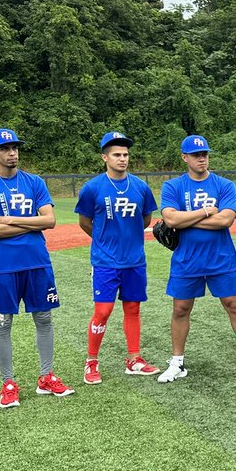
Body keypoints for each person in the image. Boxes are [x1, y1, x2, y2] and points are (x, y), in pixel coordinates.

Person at [0, 128, 74, 407]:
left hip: (37, 261)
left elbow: (50, 221)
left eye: (15, 147)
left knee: (44, 318)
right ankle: (8, 382)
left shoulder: (34, 182)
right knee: (3, 322)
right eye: (5, 148)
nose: (12, 152)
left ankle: (46, 377)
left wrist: (9, 221)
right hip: (2, 265)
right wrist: (29, 222)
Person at [156, 134, 236, 383]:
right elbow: (170, 220)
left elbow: (226, 220)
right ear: (185, 158)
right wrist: (205, 212)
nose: (201, 158)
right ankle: (177, 363)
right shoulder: (173, 186)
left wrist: (187, 219)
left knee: (233, 305)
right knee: (181, 309)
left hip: (221, 257)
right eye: (195, 155)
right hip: (186, 259)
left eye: (204, 153)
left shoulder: (224, 185)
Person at [74, 131, 161, 384]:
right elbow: (85, 222)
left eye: (125, 154)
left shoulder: (141, 187)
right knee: (103, 311)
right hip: (105, 261)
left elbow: (145, 220)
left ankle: (134, 359)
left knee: (133, 309)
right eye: (116, 155)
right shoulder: (92, 188)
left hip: (134, 260)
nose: (122, 159)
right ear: (105, 157)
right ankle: (91, 361)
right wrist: (103, 241)